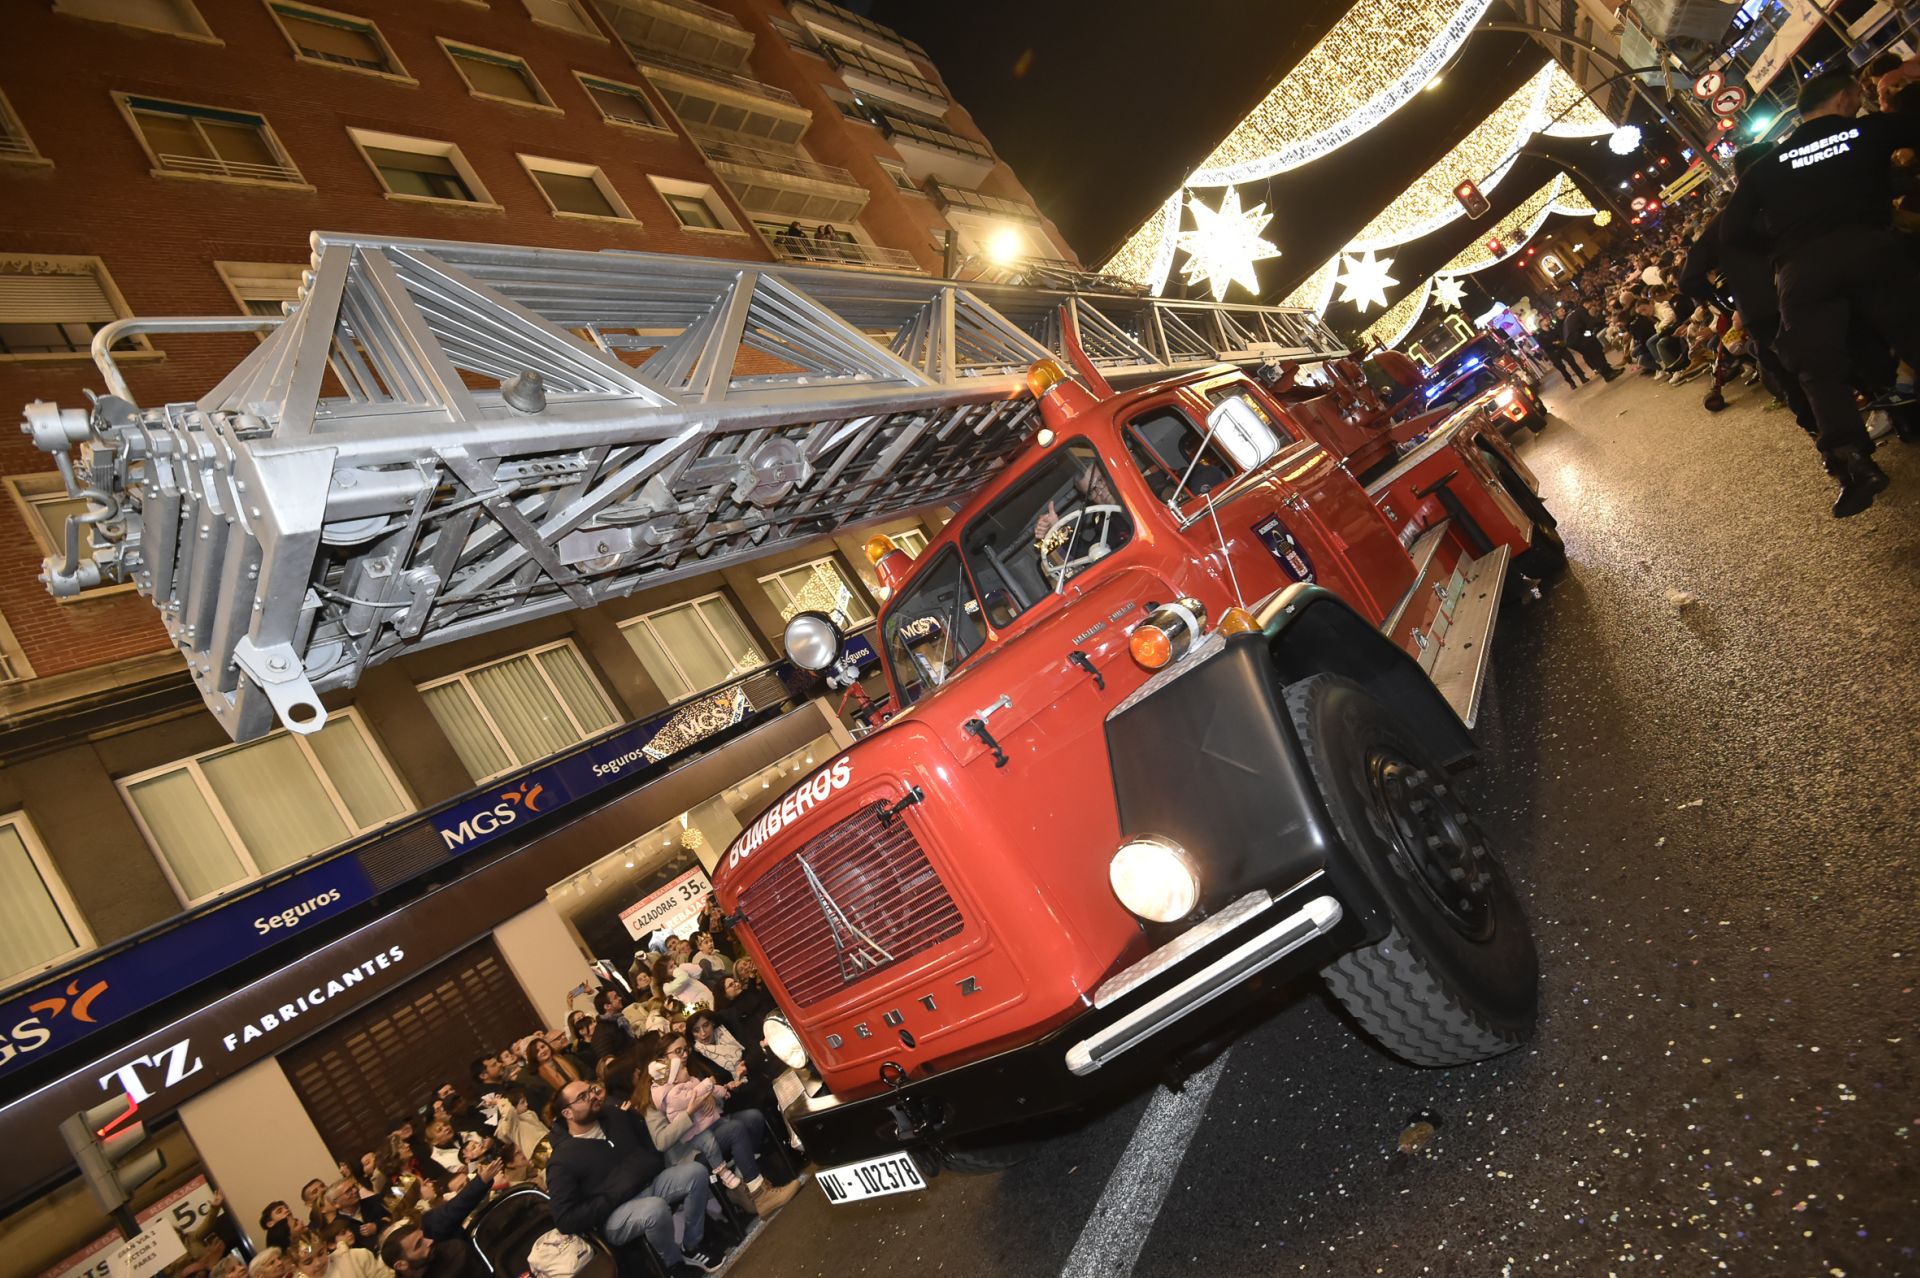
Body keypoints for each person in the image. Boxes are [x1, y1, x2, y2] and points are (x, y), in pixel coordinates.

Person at [1722, 68, 1920, 516]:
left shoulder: (1766, 166)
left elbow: (1731, 232)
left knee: (1817, 368)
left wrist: (1781, 249)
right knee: (1911, 328)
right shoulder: (1866, 131)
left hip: (1802, 271)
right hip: (1869, 245)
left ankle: (1854, 461)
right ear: (1847, 96)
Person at [544, 1079, 722, 1277]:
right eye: (583, 1097)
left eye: (591, 1090)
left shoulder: (614, 1114)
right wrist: (608, 1198)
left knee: (695, 1173)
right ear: (567, 1113)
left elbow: (648, 1143)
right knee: (655, 1208)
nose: (593, 1096)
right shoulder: (562, 1160)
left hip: (648, 1184)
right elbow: (565, 1219)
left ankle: (692, 1245)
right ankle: (674, 1265)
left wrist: (649, 1164)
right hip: (614, 1214)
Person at [639, 1039, 800, 1217]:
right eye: (678, 1051)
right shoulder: (652, 1098)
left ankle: (745, 1177)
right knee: (735, 1129)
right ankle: (761, 1196)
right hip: (691, 1149)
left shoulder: (687, 1074)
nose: (684, 1055)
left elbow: (714, 1098)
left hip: (713, 1126)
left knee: (753, 1118)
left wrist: (711, 1097)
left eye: (686, 1049)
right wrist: (689, 1112)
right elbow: (662, 1142)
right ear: (662, 1058)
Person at [378, 1157, 499, 1278]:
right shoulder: (423, 1222)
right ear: (415, 1196)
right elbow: (454, 1209)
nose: (429, 1183)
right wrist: (481, 1181)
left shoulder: (403, 1228)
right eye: (422, 1185)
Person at [1560, 300, 1619, 381]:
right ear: (1585, 304)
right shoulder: (1581, 310)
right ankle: (1608, 374)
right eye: (1591, 305)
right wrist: (1602, 323)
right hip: (1577, 338)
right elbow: (1591, 323)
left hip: (1572, 341)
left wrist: (1589, 333)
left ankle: (1608, 371)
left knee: (1592, 354)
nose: (1592, 307)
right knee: (1596, 352)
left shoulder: (1571, 315)